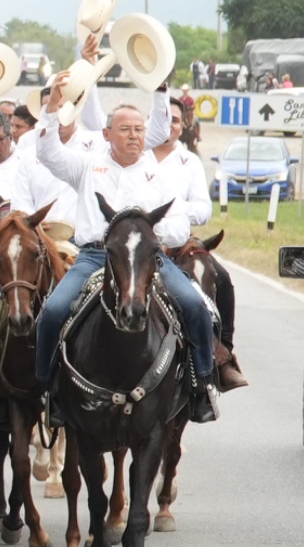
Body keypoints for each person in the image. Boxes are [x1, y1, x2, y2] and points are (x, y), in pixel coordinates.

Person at [34, 85, 223, 424]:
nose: (134, 135)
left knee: (196, 306)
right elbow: (48, 153)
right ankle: (48, 391)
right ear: (107, 134)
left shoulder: (161, 175)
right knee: (52, 312)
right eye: (125, 129)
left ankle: (202, 386)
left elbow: (179, 224)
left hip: (150, 260)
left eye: (138, 129)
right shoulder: (86, 166)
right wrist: (51, 109)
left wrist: (146, 238)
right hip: (94, 258)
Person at [152, 97, 246, 390]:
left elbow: (204, 210)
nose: (168, 125)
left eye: (174, 120)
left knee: (221, 277)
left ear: (183, 126)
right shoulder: (137, 155)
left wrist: (173, 209)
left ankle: (221, 356)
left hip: (179, 242)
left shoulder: (189, 162)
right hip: (140, 241)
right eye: (162, 118)